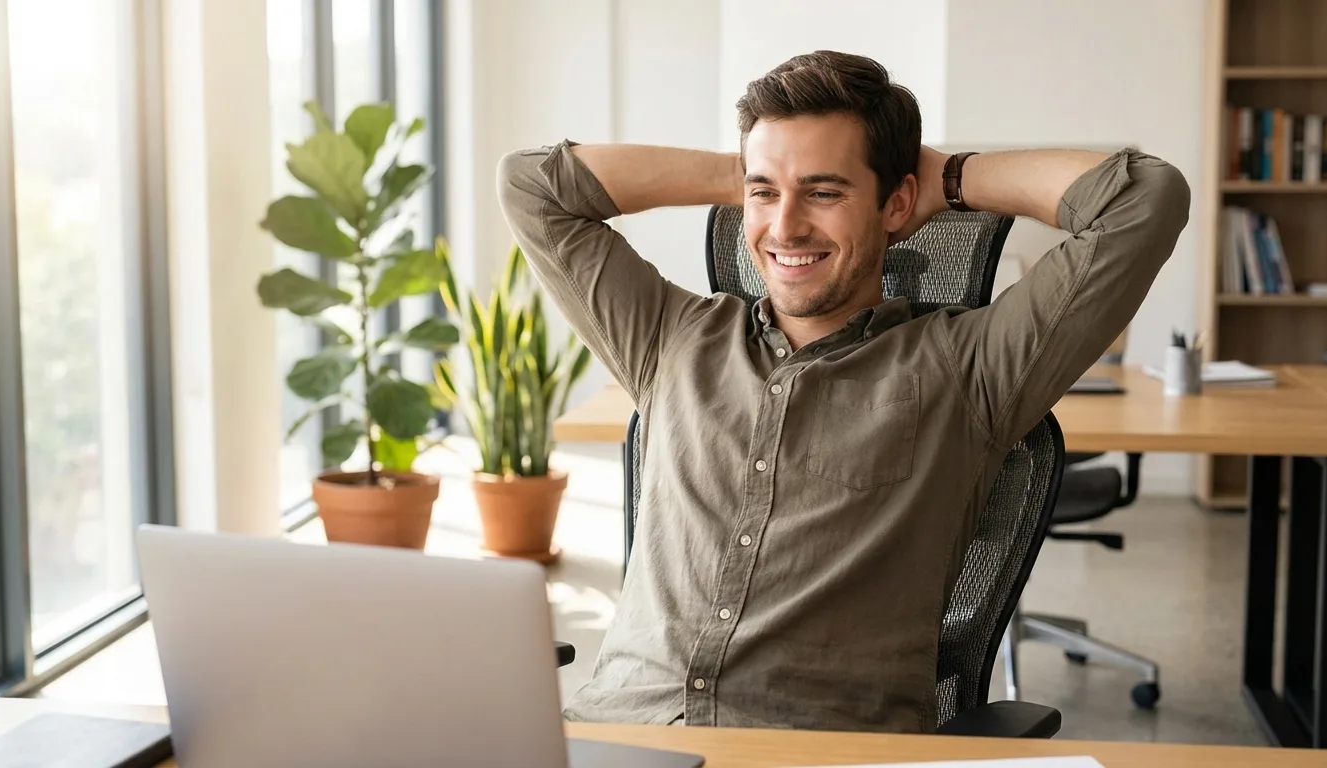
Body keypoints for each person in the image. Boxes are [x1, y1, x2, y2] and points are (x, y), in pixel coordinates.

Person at [496, 50, 1189, 733]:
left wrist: (947, 178)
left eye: (824, 192)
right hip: (616, 736)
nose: (786, 226)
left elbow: (1144, 199)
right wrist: (746, 174)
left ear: (896, 204)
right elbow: (532, 186)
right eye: (765, 194)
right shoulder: (669, 336)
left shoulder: (971, 368)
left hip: (814, 752)